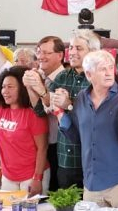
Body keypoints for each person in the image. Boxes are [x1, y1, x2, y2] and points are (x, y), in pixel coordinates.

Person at [53, 50, 118, 207]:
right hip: (92, 182)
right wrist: (59, 112)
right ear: (89, 75)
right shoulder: (82, 97)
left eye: (110, 67)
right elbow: (75, 137)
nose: (109, 73)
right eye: (102, 69)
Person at [0, 46, 49, 196]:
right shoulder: (1, 108)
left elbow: (42, 148)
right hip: (8, 176)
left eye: (10, 87)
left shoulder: (34, 112)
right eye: (3, 87)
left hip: (32, 176)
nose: (5, 91)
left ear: (22, 88)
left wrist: (37, 178)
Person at [42, 29, 100, 189]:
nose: (72, 52)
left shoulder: (99, 78)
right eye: (71, 48)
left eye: (79, 48)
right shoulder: (62, 76)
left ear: (93, 52)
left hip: (91, 159)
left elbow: (98, 115)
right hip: (65, 159)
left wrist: (69, 104)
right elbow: (45, 107)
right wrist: (40, 90)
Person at [25, 35, 66, 192]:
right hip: (45, 144)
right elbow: (39, 111)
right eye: (39, 52)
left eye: (47, 53)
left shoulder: (65, 78)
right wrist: (30, 87)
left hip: (61, 146)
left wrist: (40, 89)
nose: (41, 56)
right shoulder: (43, 77)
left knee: (59, 192)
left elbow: (51, 107)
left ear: (60, 55)